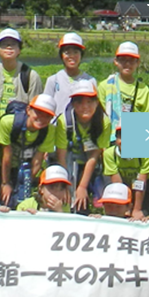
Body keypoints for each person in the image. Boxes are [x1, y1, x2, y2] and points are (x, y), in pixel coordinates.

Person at [0, 94, 65, 206]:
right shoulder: (8, 122)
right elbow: (6, 156)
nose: (41, 118)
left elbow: (37, 161)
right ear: (28, 110)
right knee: (3, 200)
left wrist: (24, 185)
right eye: (38, 113)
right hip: (3, 167)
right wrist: (5, 183)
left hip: (25, 169)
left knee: (21, 201)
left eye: (47, 116)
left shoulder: (49, 130)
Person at [59, 81, 111, 213]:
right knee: (65, 196)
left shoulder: (103, 122)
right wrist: (65, 185)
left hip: (90, 161)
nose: (85, 107)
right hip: (67, 161)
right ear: (73, 104)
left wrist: (82, 186)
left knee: (86, 197)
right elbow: (61, 156)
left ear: (97, 102)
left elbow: (95, 154)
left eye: (90, 102)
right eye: (79, 102)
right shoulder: (64, 122)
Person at [0, 28, 42, 116]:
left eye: (13, 44)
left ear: (19, 50)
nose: (9, 47)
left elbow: (35, 108)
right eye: (4, 44)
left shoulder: (31, 76)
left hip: (20, 126)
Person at [102, 122, 149, 219]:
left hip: (143, 188)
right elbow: (118, 184)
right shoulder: (109, 154)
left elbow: (140, 183)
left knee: (139, 216)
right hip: (123, 184)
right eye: (121, 137)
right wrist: (125, 209)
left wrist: (136, 209)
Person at [99, 41, 149, 137]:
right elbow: (99, 118)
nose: (127, 64)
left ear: (138, 63)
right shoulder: (105, 86)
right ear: (116, 61)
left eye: (132, 60)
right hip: (108, 141)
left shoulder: (143, 89)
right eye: (123, 60)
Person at [43, 32, 96, 119]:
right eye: (67, 52)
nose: (72, 56)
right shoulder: (53, 80)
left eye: (75, 52)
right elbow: (46, 107)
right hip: (58, 128)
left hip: (82, 128)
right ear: (61, 55)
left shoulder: (90, 81)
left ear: (81, 55)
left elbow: (94, 109)